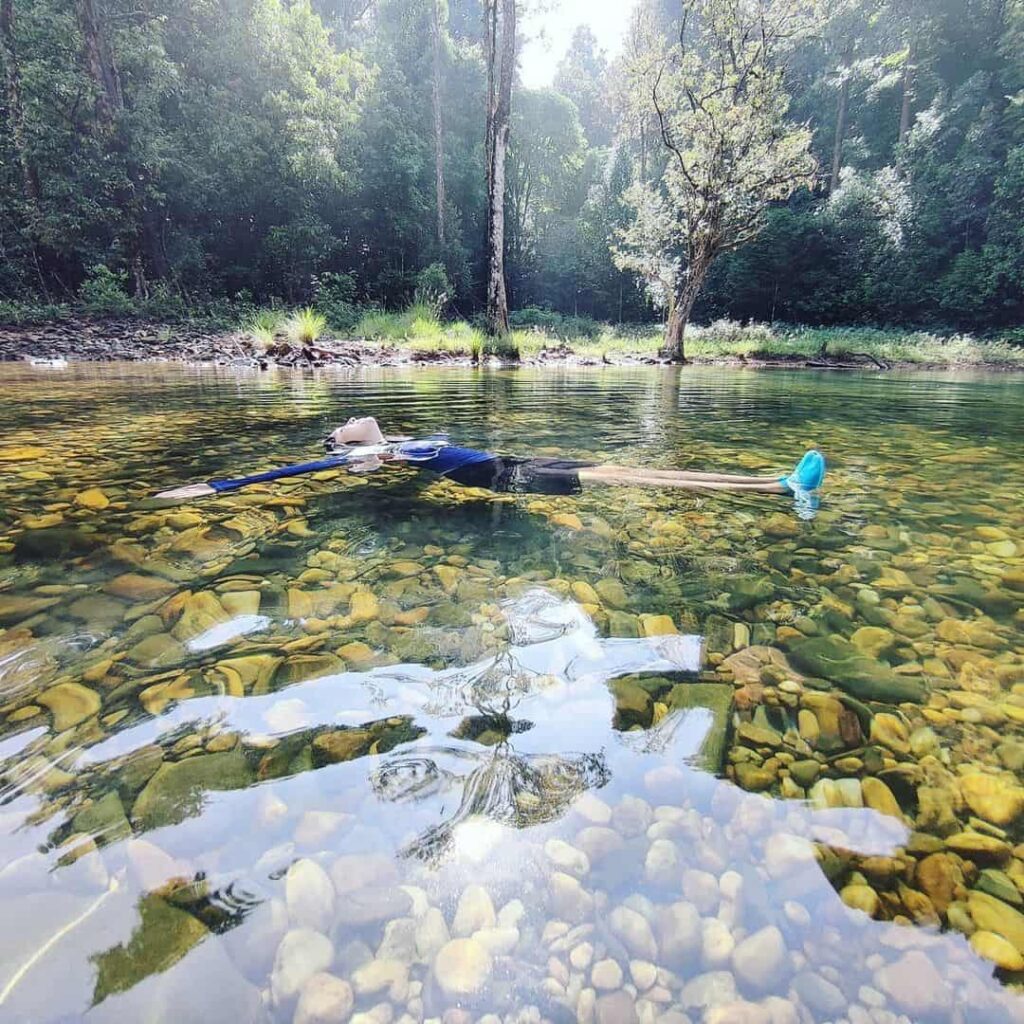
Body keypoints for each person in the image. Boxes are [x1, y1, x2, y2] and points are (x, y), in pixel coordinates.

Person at [326, 417, 826, 502]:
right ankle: (779, 490)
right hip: (513, 478)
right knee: (632, 479)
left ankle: (769, 479)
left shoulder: (400, 448)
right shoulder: (385, 451)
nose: (357, 419)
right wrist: (341, 443)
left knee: (631, 471)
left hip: (516, 463)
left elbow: (371, 434)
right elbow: (366, 440)